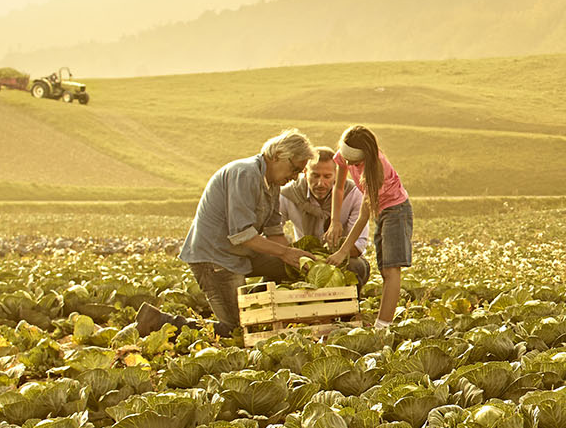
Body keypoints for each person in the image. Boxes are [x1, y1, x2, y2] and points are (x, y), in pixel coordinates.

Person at [154, 129, 315, 338]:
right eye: (294, 170)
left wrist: (298, 258)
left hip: (240, 253)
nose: (294, 178)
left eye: (299, 173)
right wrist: (285, 253)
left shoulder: (273, 183)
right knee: (235, 330)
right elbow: (242, 235)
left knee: (290, 267)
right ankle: (159, 321)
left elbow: (275, 231)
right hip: (215, 259)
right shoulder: (245, 173)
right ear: (277, 157)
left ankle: (256, 302)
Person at [331, 125, 410, 327]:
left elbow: (363, 216)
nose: (348, 164)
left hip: (396, 211)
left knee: (391, 270)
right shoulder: (346, 153)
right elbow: (338, 188)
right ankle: (382, 324)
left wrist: (342, 251)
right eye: (347, 160)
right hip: (381, 212)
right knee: (385, 270)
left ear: (365, 158)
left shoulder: (377, 168)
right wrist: (334, 221)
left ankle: (383, 326)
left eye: (354, 163)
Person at [283, 147, 372, 287]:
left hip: (342, 259)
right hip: (304, 260)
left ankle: (348, 306)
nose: (320, 183)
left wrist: (330, 257)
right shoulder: (289, 194)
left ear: (336, 174)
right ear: (305, 173)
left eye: (327, 176)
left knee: (356, 267)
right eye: (315, 175)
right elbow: (272, 229)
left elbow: (358, 246)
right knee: (276, 268)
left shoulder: (353, 194)